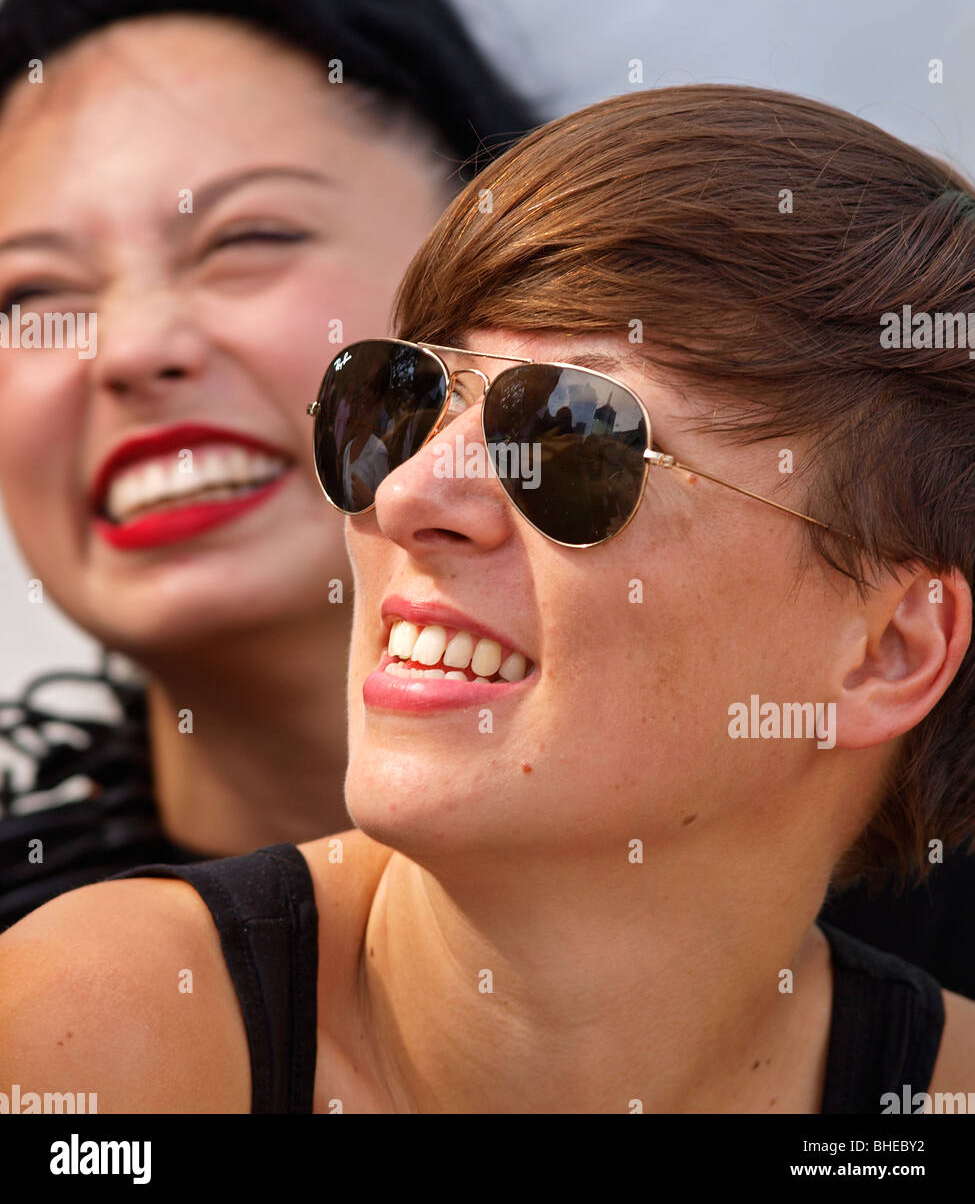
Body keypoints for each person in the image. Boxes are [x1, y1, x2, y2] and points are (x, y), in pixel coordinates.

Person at [2, 82, 973, 1114]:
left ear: (890, 648)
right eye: (401, 402)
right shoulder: (93, 1041)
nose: (409, 492)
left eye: (570, 440)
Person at [0, 0, 538, 929]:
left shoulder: (876, 905)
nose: (133, 348)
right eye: (32, 293)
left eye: (248, 239)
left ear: (499, 279)